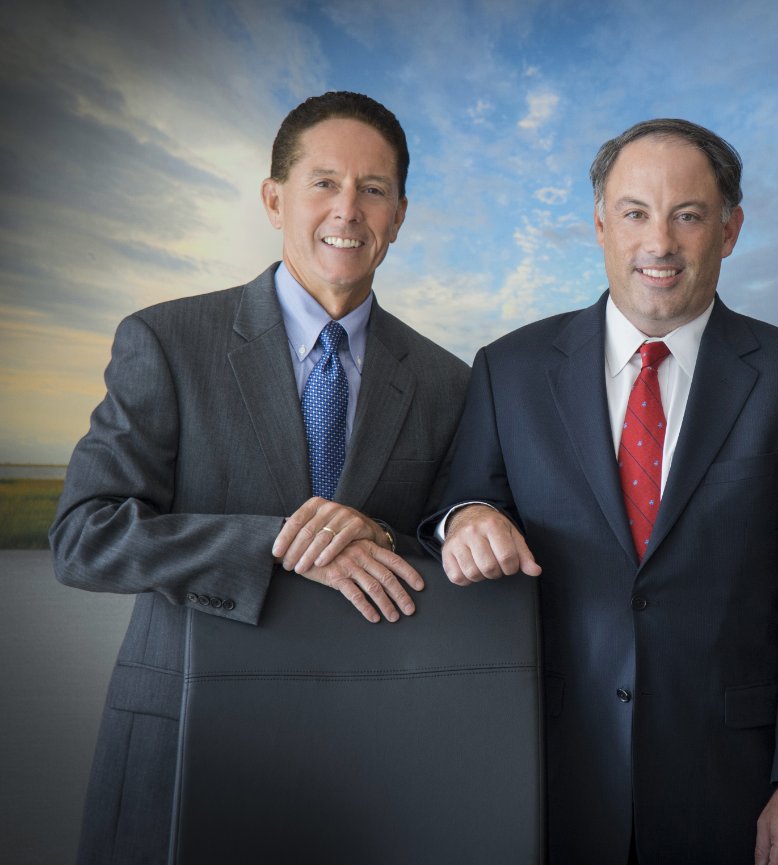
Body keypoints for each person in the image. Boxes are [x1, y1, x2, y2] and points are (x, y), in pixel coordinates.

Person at [419, 118, 778, 864]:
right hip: (548, 772)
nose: (659, 243)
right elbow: (459, 503)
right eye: (635, 213)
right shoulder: (510, 370)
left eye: (687, 216)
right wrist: (465, 518)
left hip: (734, 784)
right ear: (601, 226)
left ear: (729, 231)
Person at [49, 91, 470, 864]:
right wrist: (278, 543)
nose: (348, 209)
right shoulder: (166, 341)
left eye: (373, 189)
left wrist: (380, 536)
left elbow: (444, 546)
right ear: (274, 199)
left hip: (374, 751)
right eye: (324, 182)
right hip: (185, 733)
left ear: (399, 215)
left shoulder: (448, 383)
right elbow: (85, 535)